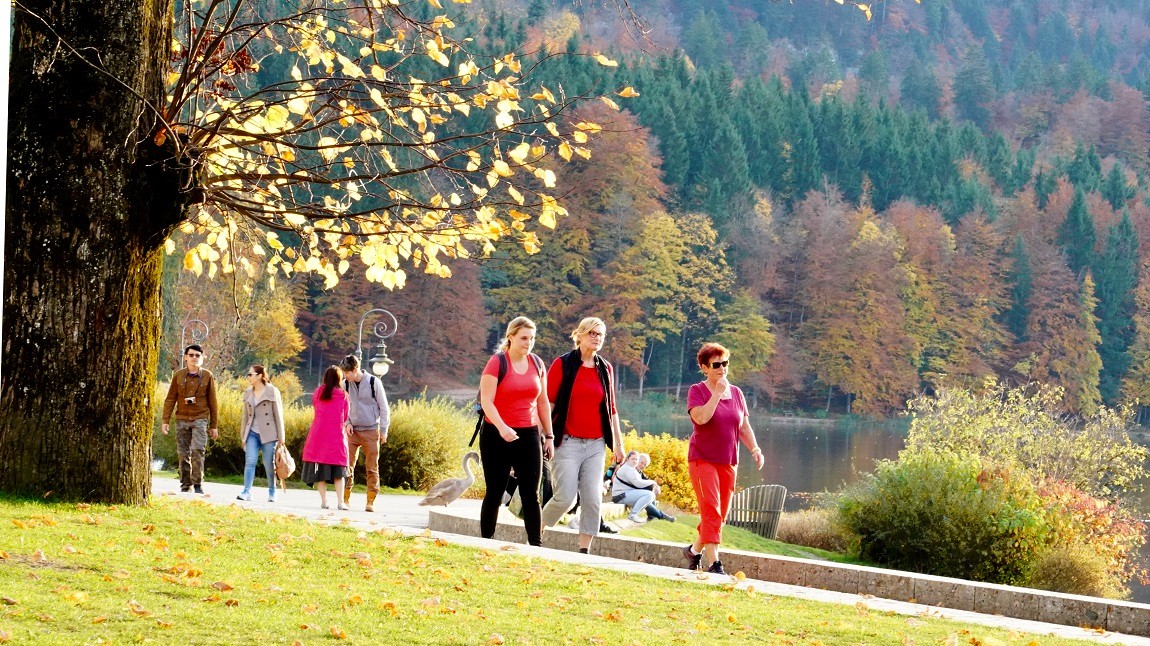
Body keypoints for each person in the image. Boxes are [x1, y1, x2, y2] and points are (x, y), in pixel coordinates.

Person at [541, 317, 625, 554]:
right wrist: (542, 436)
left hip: (596, 445)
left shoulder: (605, 369)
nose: (597, 338)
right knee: (565, 497)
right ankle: (536, 534)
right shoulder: (563, 364)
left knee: (593, 499)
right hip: (566, 442)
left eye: (601, 334)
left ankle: (584, 551)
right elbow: (548, 403)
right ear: (579, 335)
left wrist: (619, 444)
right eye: (592, 333)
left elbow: (612, 409)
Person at [683, 342, 765, 575]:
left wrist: (755, 449)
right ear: (704, 368)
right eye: (716, 365)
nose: (722, 368)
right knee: (711, 510)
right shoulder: (697, 390)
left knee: (720, 516)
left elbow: (744, 426)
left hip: (728, 460)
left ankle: (693, 550)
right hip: (702, 459)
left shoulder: (737, 393)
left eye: (725, 363)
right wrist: (717, 393)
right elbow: (701, 418)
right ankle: (715, 564)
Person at [478, 316, 553, 547]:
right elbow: (486, 401)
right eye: (523, 338)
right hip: (495, 434)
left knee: (531, 494)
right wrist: (502, 428)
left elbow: (543, 402)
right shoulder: (497, 362)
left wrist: (549, 436)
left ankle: (536, 545)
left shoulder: (537, 364)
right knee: (495, 491)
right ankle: (486, 543)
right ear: (510, 337)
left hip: (528, 435)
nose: (528, 343)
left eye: (532, 338)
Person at [161, 344, 219, 494]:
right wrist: (165, 420)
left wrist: (214, 425)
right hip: (182, 418)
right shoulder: (179, 376)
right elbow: (170, 399)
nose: (194, 358)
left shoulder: (207, 376)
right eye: (191, 355)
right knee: (183, 453)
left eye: (197, 355)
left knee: (198, 450)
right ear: (185, 357)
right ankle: (185, 484)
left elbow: (213, 402)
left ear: (202, 358)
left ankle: (198, 483)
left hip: (200, 418)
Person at [339, 354, 390, 512]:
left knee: (372, 467)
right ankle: (345, 499)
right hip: (352, 431)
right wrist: (347, 422)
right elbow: (342, 408)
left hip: (371, 430)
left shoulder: (374, 382)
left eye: (347, 373)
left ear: (355, 370)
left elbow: (384, 407)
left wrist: (383, 430)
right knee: (347, 466)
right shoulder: (345, 384)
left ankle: (370, 501)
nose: (345, 376)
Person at [301, 366, 351, 510]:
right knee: (339, 472)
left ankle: (324, 501)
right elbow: (345, 416)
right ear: (339, 378)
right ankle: (340, 502)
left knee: (320, 471)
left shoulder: (318, 392)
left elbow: (315, 407)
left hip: (318, 435)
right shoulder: (343, 395)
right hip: (336, 436)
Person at [237, 365, 286, 503]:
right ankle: (246, 491)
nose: (248, 377)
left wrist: (281, 436)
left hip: (269, 433)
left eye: (250, 374)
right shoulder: (248, 392)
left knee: (268, 464)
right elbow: (245, 416)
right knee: (250, 461)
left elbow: (278, 414)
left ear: (259, 376)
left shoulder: (272, 391)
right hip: (252, 432)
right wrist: (243, 436)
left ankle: (272, 491)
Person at [611, 451, 658, 523]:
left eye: (636, 459)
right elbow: (639, 484)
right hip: (620, 497)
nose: (635, 461)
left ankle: (645, 515)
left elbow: (639, 482)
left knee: (651, 495)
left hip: (622, 495)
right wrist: (653, 482)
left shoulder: (630, 468)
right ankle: (633, 515)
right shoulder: (628, 469)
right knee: (649, 495)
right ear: (627, 459)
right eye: (633, 459)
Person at [636, 453, 675, 522]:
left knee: (651, 489)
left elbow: (649, 481)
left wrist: (656, 486)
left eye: (645, 465)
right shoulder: (631, 470)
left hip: (635, 494)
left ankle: (652, 515)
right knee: (646, 497)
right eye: (641, 462)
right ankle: (661, 516)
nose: (642, 466)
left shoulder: (640, 472)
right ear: (637, 460)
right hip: (626, 494)